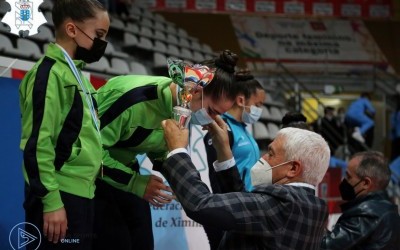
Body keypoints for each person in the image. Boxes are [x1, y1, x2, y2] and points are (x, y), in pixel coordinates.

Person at [93, 50, 239, 250]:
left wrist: (183, 184)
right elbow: (89, 153)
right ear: (196, 90)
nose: (212, 121)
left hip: (123, 170)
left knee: (143, 241)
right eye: (212, 111)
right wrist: (136, 183)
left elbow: (158, 150)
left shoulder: (183, 105)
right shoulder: (132, 99)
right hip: (91, 176)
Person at [160, 116, 331, 249]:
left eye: (270, 153)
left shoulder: (281, 204)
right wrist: (224, 151)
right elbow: (245, 205)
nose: (263, 157)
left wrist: (178, 150)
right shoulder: (316, 207)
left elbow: (201, 204)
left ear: (293, 168)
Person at [19, 0, 109, 249]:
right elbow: (37, 144)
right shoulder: (49, 74)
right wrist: (51, 201)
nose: (102, 43)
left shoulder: (78, 75)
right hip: (59, 197)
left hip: (82, 194)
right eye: (98, 35)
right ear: (72, 30)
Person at [202, 69, 265, 249]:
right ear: (240, 100)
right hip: (228, 210)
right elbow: (216, 175)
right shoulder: (222, 128)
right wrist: (225, 212)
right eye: (258, 104)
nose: (260, 110)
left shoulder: (244, 130)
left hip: (246, 208)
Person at [321, 151, 400, 249]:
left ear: (366, 183)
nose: (343, 180)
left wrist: (313, 217)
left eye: (348, 176)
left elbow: (325, 246)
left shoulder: (367, 214)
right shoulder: (387, 208)